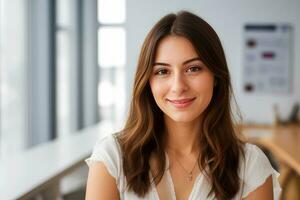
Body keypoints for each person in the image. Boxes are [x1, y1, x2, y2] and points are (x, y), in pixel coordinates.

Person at [85, 11, 281, 200]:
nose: (178, 87)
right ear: (147, 82)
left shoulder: (250, 166)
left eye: (193, 69)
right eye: (162, 71)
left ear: (216, 77)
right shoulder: (112, 157)